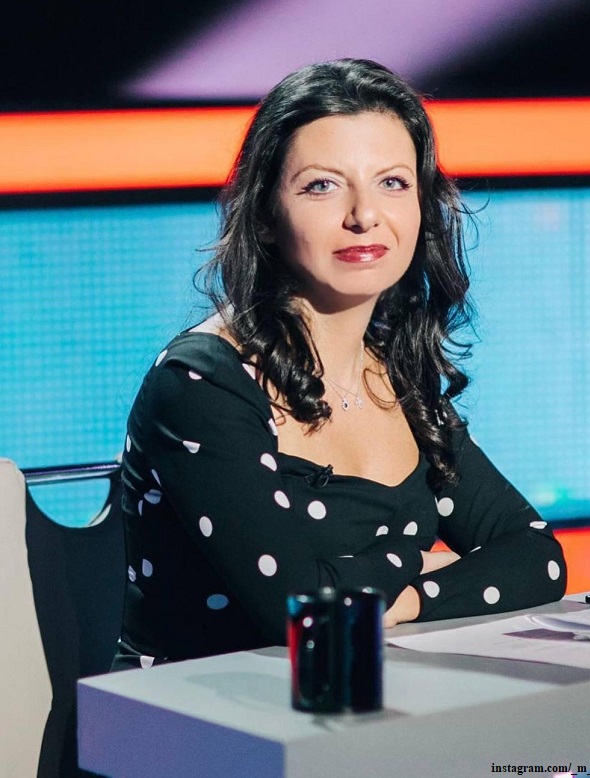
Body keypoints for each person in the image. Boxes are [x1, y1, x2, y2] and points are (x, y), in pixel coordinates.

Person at [113, 58, 566, 670]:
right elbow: (301, 610)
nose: (364, 215)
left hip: (360, 694)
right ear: (264, 215)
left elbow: (536, 557)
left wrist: (412, 599)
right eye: (322, 186)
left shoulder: (398, 376)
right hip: (200, 713)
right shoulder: (201, 381)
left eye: (393, 182)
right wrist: (415, 559)